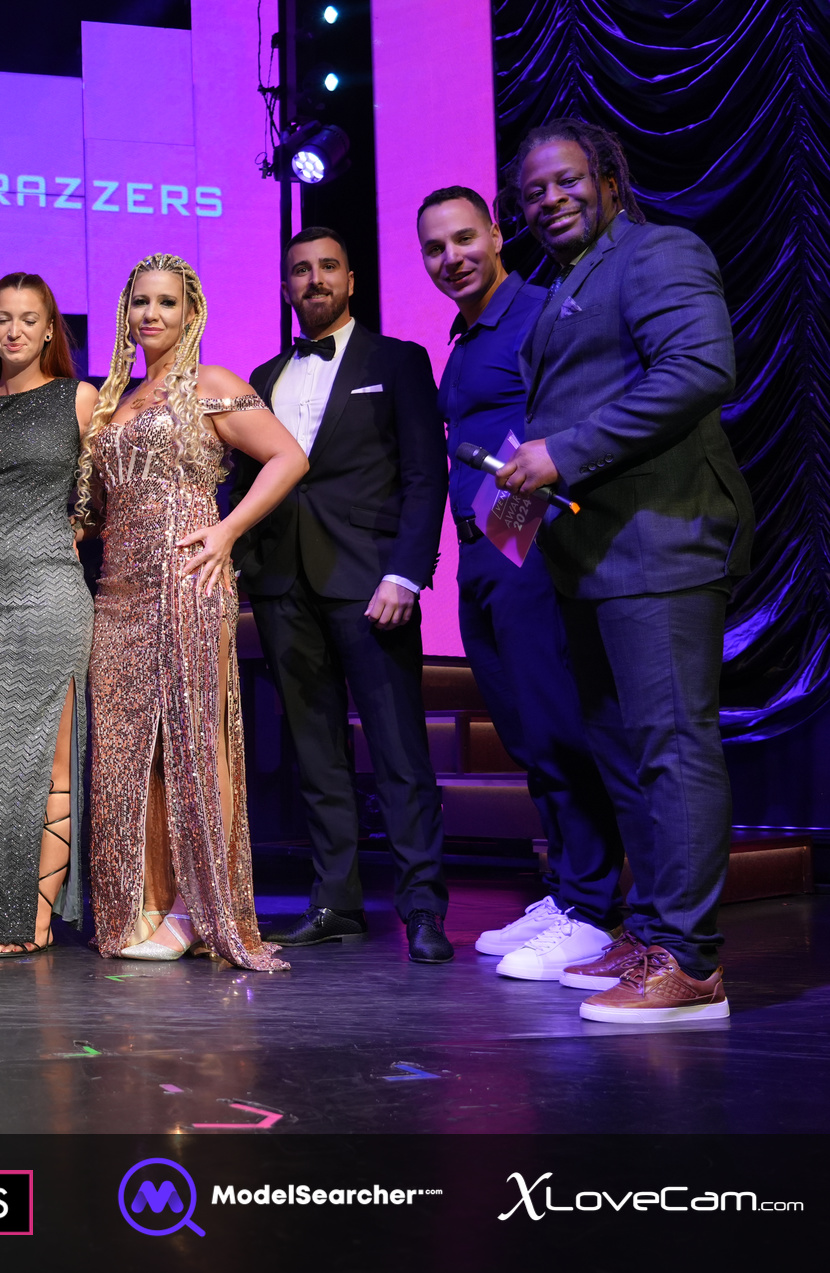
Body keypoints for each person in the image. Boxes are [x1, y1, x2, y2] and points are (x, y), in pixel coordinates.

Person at [495, 119, 754, 1023]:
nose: (550, 200)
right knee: (625, 751)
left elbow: (700, 368)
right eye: (533, 191)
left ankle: (692, 960)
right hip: (595, 554)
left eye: (567, 181)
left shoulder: (656, 252)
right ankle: (649, 932)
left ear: (609, 178)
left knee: (671, 745)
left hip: (661, 539)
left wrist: (563, 452)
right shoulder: (565, 282)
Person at [416, 186, 626, 980]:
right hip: (482, 550)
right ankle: (567, 889)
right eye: (435, 248)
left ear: (497, 235)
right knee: (524, 730)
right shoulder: (465, 336)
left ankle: (592, 908)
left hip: (526, 539)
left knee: (555, 722)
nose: (452, 258)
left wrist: (515, 517)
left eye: (464, 239)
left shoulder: (538, 311)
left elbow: (574, 415)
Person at [81, 254, 308, 968]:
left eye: (166, 303)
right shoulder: (117, 401)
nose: (151, 314)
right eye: (140, 302)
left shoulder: (212, 385)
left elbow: (288, 457)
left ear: (191, 314)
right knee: (127, 753)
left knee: (193, 742)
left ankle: (196, 908)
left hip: (186, 577)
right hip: (117, 589)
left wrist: (227, 529)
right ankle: (144, 904)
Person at [238, 227, 453, 964]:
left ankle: (422, 907)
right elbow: (251, 482)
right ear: (286, 287)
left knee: (398, 750)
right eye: (301, 270)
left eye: (328, 266)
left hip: (370, 583)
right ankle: (336, 902)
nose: (315, 279)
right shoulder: (264, 375)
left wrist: (407, 572)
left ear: (351, 279)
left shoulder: (398, 361)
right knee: (315, 752)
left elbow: (425, 475)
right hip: (283, 586)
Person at [0, 273, 97, 957]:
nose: (14, 331)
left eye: (29, 319)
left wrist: (81, 527)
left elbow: (105, 494)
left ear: (50, 328)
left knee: (50, 768)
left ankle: (34, 919)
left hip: (51, 599)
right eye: (3, 318)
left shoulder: (79, 399)